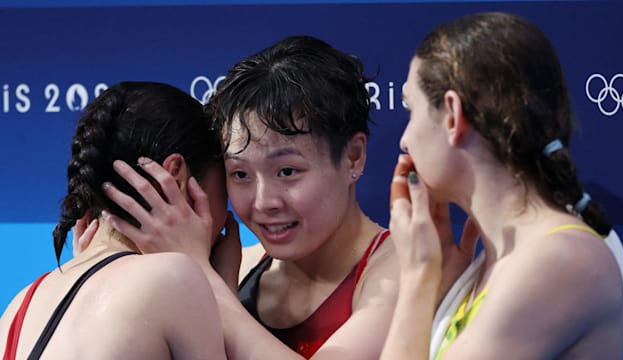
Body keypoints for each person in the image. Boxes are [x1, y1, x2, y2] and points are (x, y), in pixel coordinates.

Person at [97, 36, 399, 359]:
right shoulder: (236, 267)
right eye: (240, 174)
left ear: (353, 157)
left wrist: (200, 276)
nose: (263, 201)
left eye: (287, 172)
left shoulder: (405, 267)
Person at [381, 12, 623, 359]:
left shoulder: (559, 261)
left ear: (453, 116)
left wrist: (418, 278)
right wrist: (437, 290)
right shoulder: (494, 265)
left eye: (412, 111)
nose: (405, 141)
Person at [0, 82, 228, 360]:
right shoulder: (173, 277)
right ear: (176, 178)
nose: (227, 213)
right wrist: (214, 281)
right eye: (224, 184)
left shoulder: (22, 304)